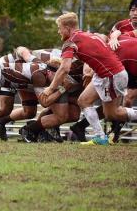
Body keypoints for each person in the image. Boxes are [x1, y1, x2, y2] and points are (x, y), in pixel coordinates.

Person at [42, 12, 137, 145]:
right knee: (84, 101)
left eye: (60, 28)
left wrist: (50, 89)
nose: (59, 31)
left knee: (112, 114)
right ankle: (100, 137)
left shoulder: (70, 43)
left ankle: (100, 137)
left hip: (110, 75)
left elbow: (64, 68)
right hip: (106, 73)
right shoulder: (87, 34)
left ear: (68, 28)